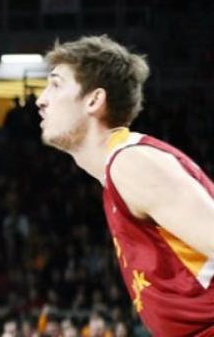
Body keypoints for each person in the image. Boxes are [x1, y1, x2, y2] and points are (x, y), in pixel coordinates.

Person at [37, 35, 214, 335]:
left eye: (55, 84)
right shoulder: (120, 172)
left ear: (94, 100)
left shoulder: (132, 164)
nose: (41, 99)